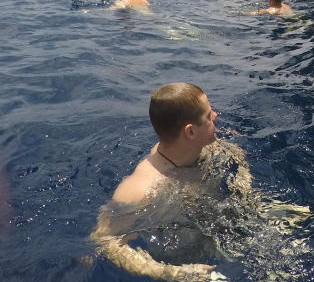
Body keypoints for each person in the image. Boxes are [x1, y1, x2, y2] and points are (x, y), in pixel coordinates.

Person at [91, 83, 235, 280]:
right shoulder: (140, 188)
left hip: (216, 228)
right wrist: (169, 272)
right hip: (179, 254)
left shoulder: (204, 146)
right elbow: (104, 240)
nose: (216, 115)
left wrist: (242, 181)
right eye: (209, 115)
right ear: (190, 132)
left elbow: (232, 153)